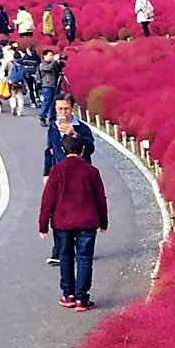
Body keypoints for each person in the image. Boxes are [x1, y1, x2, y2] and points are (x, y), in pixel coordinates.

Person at [40, 133, 108, 311]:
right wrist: (103, 221)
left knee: (65, 257)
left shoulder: (56, 171)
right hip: (87, 221)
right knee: (84, 259)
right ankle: (82, 298)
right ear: (83, 150)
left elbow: (47, 200)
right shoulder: (92, 171)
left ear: (63, 150)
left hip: (62, 222)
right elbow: (100, 198)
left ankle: (68, 294)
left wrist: (43, 225)